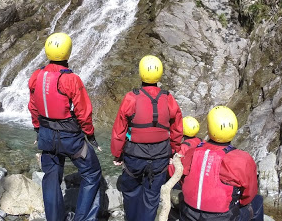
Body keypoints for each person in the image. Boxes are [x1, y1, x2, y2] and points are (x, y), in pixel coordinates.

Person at [28, 32, 102, 221]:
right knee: (92, 173)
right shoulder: (71, 79)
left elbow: (33, 107)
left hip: (46, 135)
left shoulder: (36, 76)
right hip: (70, 139)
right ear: (68, 52)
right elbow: (84, 112)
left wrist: (38, 130)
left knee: (51, 177)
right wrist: (90, 136)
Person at [110, 55, 183, 221]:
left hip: (134, 156)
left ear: (141, 73)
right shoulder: (168, 98)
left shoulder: (131, 97)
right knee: (151, 198)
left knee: (130, 192)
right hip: (160, 157)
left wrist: (117, 153)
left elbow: (119, 130)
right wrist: (175, 151)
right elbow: (177, 128)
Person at [179, 106, 264, 221]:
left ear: (210, 129)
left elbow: (182, 180)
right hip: (223, 217)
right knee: (257, 201)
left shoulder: (191, 152)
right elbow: (249, 194)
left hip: (188, 213)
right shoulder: (243, 159)